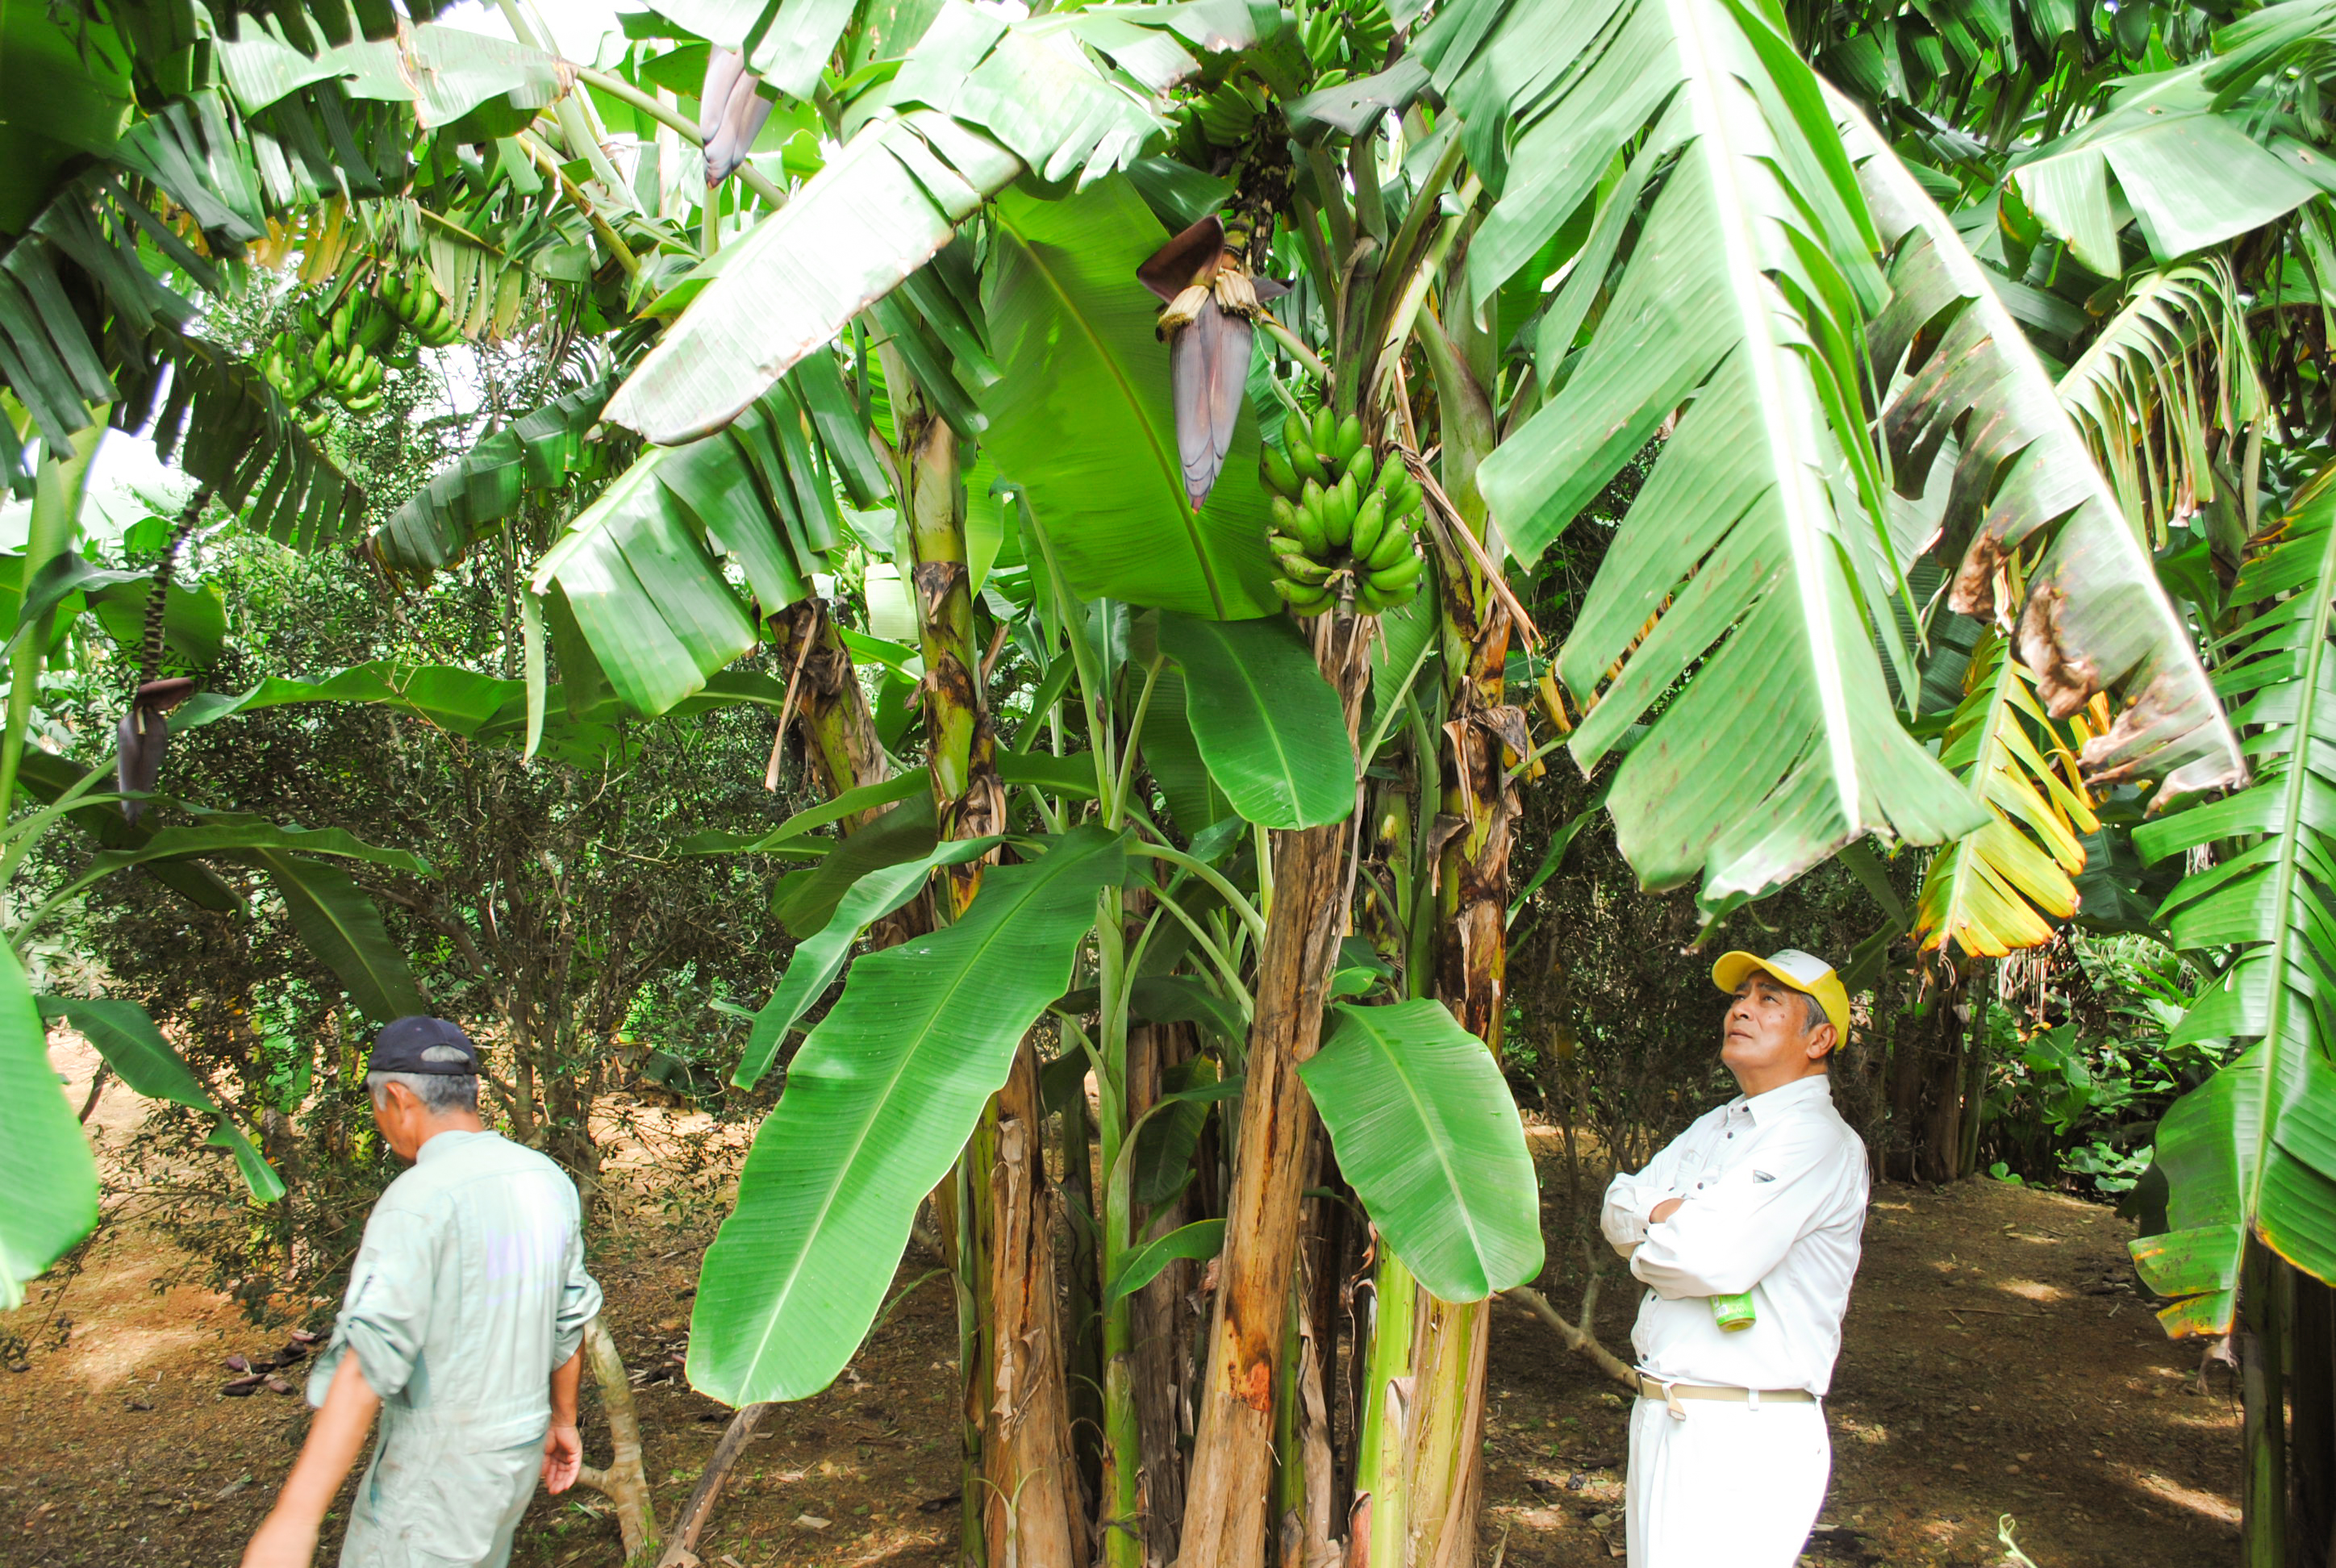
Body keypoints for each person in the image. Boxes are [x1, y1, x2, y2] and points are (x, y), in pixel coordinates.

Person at [242, 1016, 603, 1568]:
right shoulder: (544, 1178)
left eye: (375, 1105)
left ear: (397, 1097)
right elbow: (568, 1317)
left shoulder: (418, 1201)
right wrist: (563, 1420)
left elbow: (368, 1364)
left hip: (438, 1476)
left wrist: (294, 1520)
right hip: (515, 1460)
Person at [1600, 949, 1869, 1568]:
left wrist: (1660, 1225)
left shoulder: (1816, 1140)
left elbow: (1704, 1261)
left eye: (1769, 1000)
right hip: (1666, 1415)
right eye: (1740, 997)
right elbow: (1615, 1205)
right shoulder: (1718, 1125)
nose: (1741, 1009)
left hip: (1742, 1434)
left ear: (1819, 1038)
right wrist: (1671, 1224)